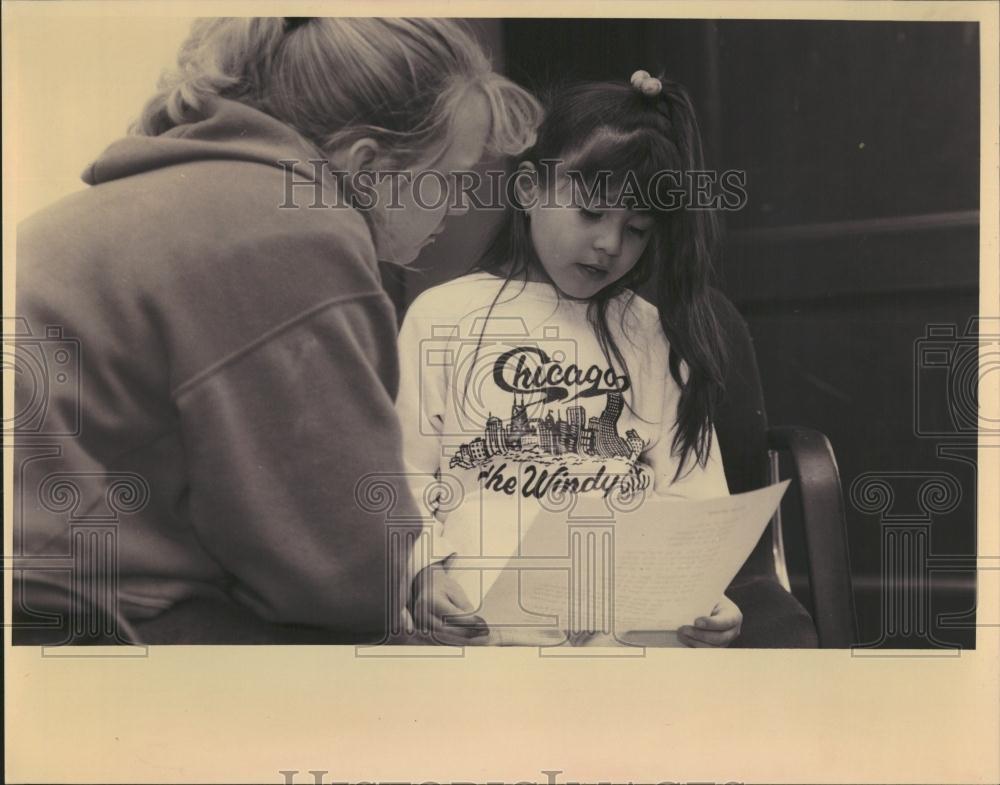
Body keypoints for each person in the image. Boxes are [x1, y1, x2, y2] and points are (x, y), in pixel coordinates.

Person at [13, 17, 541, 644]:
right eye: (452, 177)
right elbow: (345, 582)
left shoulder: (111, 207)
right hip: (100, 643)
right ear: (367, 164)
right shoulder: (295, 230)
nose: (458, 205)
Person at [396, 71, 745, 647]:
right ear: (530, 188)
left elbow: (693, 501)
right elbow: (405, 470)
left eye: (636, 230)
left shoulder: (652, 332)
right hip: (486, 620)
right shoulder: (445, 317)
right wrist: (424, 574)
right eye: (591, 214)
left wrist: (705, 597)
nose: (610, 245)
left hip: (624, 624)